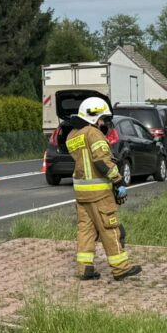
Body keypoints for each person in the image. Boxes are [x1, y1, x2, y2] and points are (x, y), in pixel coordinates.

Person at [64, 96, 141, 281]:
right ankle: (121, 268)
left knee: (86, 230)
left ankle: (84, 269)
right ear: (94, 117)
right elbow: (101, 161)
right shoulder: (93, 132)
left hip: (81, 193)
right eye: (103, 119)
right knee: (110, 228)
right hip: (99, 193)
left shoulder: (72, 135)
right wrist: (118, 182)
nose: (104, 123)